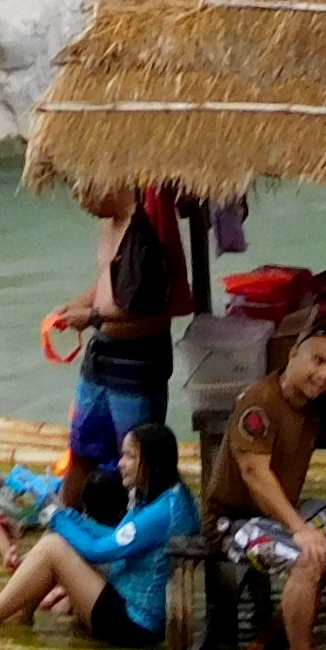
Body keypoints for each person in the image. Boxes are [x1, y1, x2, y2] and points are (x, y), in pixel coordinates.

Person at [0, 421, 201, 647]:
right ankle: (20, 613)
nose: (121, 463)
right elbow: (114, 536)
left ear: (152, 463)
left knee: (53, 546)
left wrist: (55, 516)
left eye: (130, 456)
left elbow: (99, 550)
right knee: (61, 538)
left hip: (135, 624)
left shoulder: (162, 512)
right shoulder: (168, 494)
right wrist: (69, 517)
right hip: (125, 601)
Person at [202, 323, 326, 650]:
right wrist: (299, 528)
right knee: (307, 557)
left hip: (278, 515)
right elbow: (254, 473)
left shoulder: (317, 402)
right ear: (293, 355)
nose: (323, 374)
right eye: (317, 361)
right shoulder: (260, 401)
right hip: (232, 523)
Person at [42, 180, 198, 478]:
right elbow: (108, 279)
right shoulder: (107, 221)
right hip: (101, 352)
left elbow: (150, 307)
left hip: (138, 360)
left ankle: (138, 505)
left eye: (82, 192)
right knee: (82, 445)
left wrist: (92, 317)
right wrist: (73, 306)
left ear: (105, 183)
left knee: (137, 454)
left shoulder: (147, 228)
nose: (81, 203)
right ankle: (70, 504)